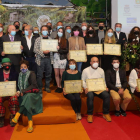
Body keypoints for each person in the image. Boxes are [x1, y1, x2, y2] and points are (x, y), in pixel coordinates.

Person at [12, 60, 43, 133]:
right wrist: (18, 91)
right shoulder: (19, 75)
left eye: (24, 67)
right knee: (27, 100)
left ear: (28, 67)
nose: (23, 68)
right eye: (21, 67)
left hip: (33, 94)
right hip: (24, 94)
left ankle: (18, 114)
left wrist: (23, 91)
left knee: (28, 97)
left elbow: (34, 85)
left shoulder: (31, 73)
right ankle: (30, 124)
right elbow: (18, 86)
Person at [82, 57, 111, 123]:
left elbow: (103, 80)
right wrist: (85, 87)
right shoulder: (85, 70)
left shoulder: (101, 70)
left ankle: (106, 113)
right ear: (90, 63)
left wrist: (105, 87)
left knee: (106, 95)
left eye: (97, 61)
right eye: (94, 61)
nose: (95, 63)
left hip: (99, 89)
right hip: (90, 89)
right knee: (90, 96)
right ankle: (90, 114)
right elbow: (82, 80)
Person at [0, 58, 19, 127]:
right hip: (1, 93)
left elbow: (18, 84)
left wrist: (18, 91)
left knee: (14, 99)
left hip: (12, 93)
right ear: (2, 65)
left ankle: (13, 117)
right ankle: (1, 117)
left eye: (8, 64)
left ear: (10, 65)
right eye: (5, 64)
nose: (7, 66)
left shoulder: (15, 73)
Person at [34, 25, 52, 94]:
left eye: (46, 30)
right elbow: (35, 49)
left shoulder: (51, 39)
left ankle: (47, 87)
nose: (44, 31)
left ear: (48, 31)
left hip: (49, 59)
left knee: (48, 73)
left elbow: (53, 49)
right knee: (39, 75)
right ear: (41, 31)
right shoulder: (38, 39)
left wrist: (56, 47)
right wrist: (43, 52)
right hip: (40, 59)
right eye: (43, 30)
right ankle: (40, 87)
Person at [53, 27, 68, 93]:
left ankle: (62, 87)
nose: (60, 33)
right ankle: (58, 86)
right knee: (56, 73)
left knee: (61, 74)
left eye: (61, 32)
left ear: (63, 33)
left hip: (62, 59)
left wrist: (59, 49)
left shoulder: (66, 41)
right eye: (59, 31)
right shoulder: (54, 40)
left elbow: (66, 51)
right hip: (55, 58)